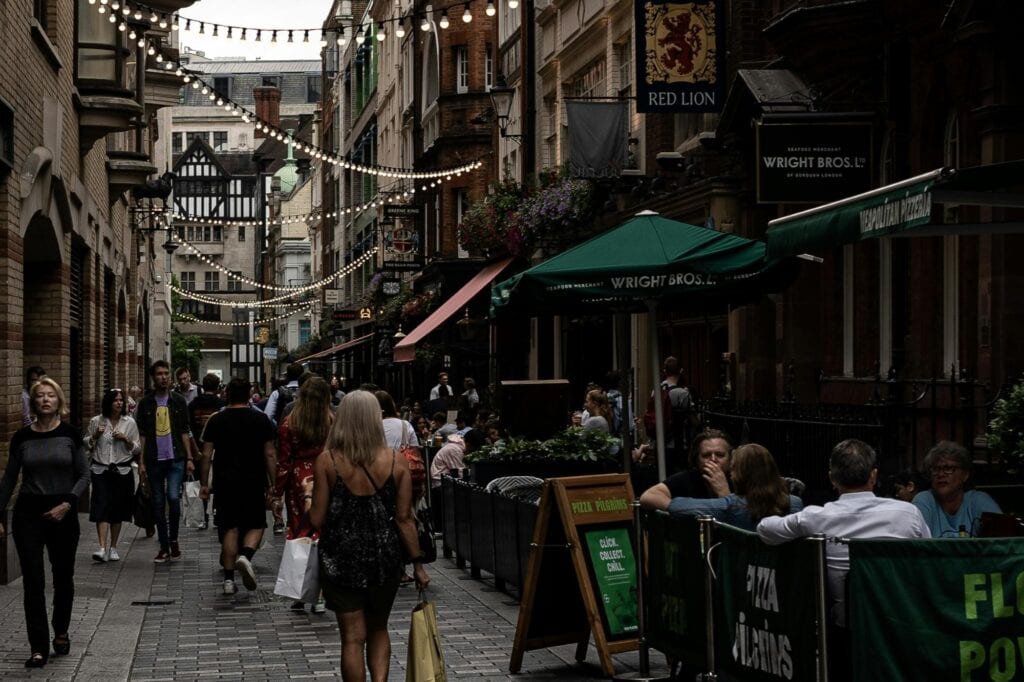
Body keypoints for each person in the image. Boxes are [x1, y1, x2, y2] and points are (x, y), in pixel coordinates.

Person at [756, 439, 930, 681]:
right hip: (901, 625)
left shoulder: (815, 518)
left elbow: (765, 529)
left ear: (832, 479)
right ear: (874, 475)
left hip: (845, 633)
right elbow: (928, 560)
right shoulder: (908, 513)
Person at [309, 391, 430, 681]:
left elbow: (317, 519)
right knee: (379, 628)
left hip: (340, 556)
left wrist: (305, 498)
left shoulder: (328, 461)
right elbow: (404, 519)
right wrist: (417, 564)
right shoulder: (395, 461)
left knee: (352, 637)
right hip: (384, 557)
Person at [0, 377, 89, 668]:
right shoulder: (22, 438)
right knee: (33, 581)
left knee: (63, 577)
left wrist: (68, 504)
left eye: (51, 395)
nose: (46, 400)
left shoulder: (70, 435)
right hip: (29, 513)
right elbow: (10, 479)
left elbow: (84, 475)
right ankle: (38, 646)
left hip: (63, 511)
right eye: (40, 396)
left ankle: (60, 629)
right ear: (33, 402)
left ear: (58, 400)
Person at [198, 377, 277, 595]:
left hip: (225, 481)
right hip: (253, 479)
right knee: (256, 523)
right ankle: (245, 556)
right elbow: (270, 453)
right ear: (249, 393)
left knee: (229, 527)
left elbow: (206, 454)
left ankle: (229, 580)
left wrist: (204, 483)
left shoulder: (216, 420)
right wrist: (274, 483)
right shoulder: (261, 421)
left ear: (227, 394)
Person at [273, 376, 333, 612]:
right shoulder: (331, 422)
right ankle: (320, 595)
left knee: (300, 533)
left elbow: (283, 461)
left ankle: (300, 592)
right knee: (322, 534)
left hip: (298, 481)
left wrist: (276, 492)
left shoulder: (290, 423)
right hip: (325, 477)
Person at [136, 360, 198, 563]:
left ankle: (174, 539)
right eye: (159, 374)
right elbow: (143, 434)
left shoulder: (178, 401)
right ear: (153, 377)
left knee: (173, 497)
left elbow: (184, 430)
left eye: (166, 373)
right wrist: (142, 461)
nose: (164, 377)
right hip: (154, 459)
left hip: (176, 458)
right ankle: (163, 545)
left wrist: (189, 457)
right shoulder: (145, 403)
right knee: (157, 502)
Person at [663, 444, 802, 530]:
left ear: (739, 474)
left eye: (733, 469)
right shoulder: (795, 502)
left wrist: (725, 495)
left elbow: (677, 507)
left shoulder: (730, 505)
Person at [85, 388, 140, 562]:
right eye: (115, 400)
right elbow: (86, 443)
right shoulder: (97, 421)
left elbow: (137, 448)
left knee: (118, 509)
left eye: (121, 400)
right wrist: (95, 434)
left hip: (122, 470)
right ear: (108, 403)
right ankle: (101, 547)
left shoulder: (129, 422)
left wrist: (126, 439)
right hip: (100, 470)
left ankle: (113, 547)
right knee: (101, 506)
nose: (119, 403)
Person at [912, 441, 1001, 537]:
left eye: (948, 468)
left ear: (965, 475)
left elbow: (1001, 540)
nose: (941, 474)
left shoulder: (979, 500)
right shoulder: (924, 500)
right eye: (936, 469)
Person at [639, 429, 733, 511]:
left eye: (720, 455)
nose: (713, 459)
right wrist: (687, 509)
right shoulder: (687, 478)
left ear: (730, 458)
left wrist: (724, 493)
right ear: (696, 459)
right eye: (706, 455)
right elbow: (648, 497)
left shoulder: (739, 478)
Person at [189, 373, 225, 530]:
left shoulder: (193, 404)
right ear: (217, 387)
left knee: (201, 482)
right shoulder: (221, 404)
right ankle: (217, 515)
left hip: (198, 447)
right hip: (219, 448)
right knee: (218, 483)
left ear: (203, 386)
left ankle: (202, 516)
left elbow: (188, 427)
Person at [645, 356, 694, 472]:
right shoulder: (683, 393)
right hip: (678, 443)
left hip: (659, 442)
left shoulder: (656, 390)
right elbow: (691, 419)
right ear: (681, 371)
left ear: (664, 371)